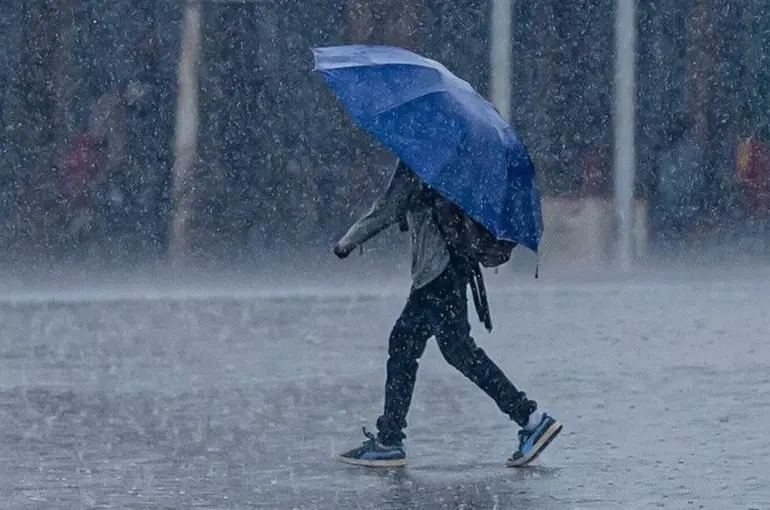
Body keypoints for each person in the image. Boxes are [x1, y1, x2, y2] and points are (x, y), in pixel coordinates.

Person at [333, 159, 562, 468]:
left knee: (407, 344)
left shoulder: (419, 160)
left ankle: (390, 440)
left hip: (436, 273)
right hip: (454, 268)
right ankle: (531, 418)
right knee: (455, 351)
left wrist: (347, 242)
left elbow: (387, 209)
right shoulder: (456, 163)